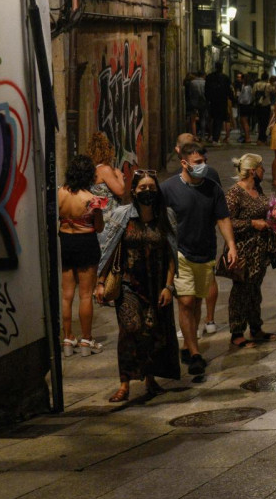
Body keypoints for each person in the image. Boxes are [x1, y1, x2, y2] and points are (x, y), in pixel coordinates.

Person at [96, 170, 180, 402]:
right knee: (130, 329)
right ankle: (125, 384)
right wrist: (101, 282)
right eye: (142, 188)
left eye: (151, 187)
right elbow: (109, 250)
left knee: (152, 331)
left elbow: (172, 254)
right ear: (133, 191)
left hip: (157, 286)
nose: (147, 192)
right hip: (128, 285)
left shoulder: (166, 216)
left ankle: (150, 379)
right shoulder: (122, 215)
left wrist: (169, 286)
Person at [160, 142, 238, 376]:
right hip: (179, 254)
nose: (202, 166)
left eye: (203, 162)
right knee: (185, 301)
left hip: (205, 252)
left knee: (195, 302)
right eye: (197, 163)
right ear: (184, 163)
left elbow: (222, 218)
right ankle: (195, 353)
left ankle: (187, 343)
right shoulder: (168, 189)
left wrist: (231, 245)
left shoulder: (212, 189)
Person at [217, 153, 276, 347]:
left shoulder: (257, 189)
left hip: (260, 251)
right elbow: (227, 221)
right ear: (253, 171)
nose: (264, 170)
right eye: (261, 167)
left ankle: (255, 328)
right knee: (241, 291)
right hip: (243, 251)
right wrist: (252, 223)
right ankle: (237, 333)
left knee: (255, 290)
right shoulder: (234, 193)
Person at [57, 155, 106, 357]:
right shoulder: (92, 200)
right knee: (85, 294)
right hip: (86, 243)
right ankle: (86, 340)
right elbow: (99, 227)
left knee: (66, 295)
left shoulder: (59, 193)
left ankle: (68, 338)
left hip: (65, 241)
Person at [174, 133, 222, 337]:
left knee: (199, 291)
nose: (202, 165)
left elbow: (221, 211)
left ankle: (195, 327)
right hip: (184, 249)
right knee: (188, 297)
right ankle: (204, 323)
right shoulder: (172, 186)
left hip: (203, 243)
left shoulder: (208, 178)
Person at [88, 131, 127, 205]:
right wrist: (119, 176)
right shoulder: (105, 169)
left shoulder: (94, 169)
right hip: (109, 214)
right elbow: (120, 191)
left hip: (99, 213)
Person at [203, 63, 231, 144]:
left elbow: (206, 90)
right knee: (219, 120)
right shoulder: (225, 78)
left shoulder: (209, 77)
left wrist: (208, 99)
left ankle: (213, 136)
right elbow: (228, 90)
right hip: (222, 101)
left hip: (212, 101)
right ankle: (215, 138)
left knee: (213, 119)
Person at [254, 73, 274, 144]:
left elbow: (253, 93)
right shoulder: (268, 85)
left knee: (259, 121)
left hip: (258, 105)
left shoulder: (256, 84)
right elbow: (272, 92)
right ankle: (263, 138)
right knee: (265, 122)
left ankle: (259, 138)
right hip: (266, 104)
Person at [236, 76, 254, 145]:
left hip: (244, 106)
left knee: (245, 121)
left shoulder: (246, 88)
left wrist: (240, 100)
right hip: (247, 106)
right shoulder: (248, 87)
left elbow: (245, 99)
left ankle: (247, 137)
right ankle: (246, 136)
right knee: (244, 121)